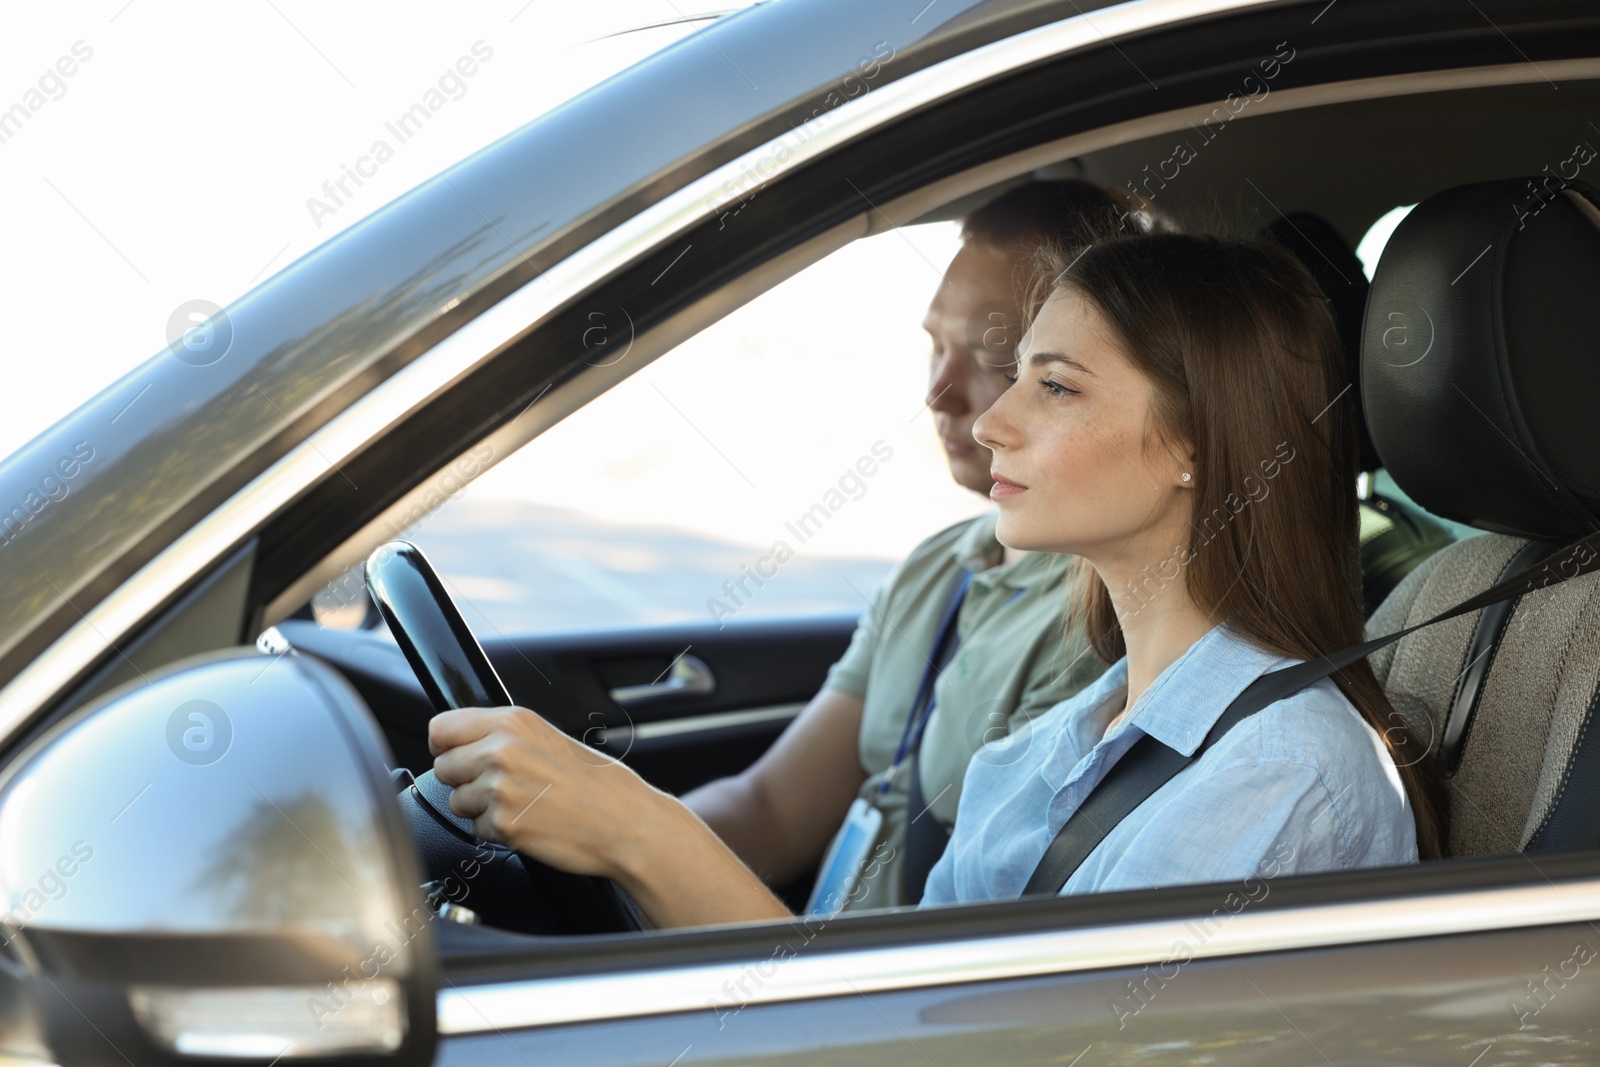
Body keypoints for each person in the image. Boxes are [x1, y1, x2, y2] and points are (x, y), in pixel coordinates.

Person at [426, 227, 1442, 930]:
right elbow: (908, 995)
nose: (991, 419)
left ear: (1192, 442)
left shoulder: (1278, 773)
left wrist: (635, 827)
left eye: (1052, 386)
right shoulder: (1068, 737)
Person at [674, 180, 1143, 912]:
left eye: (994, 357)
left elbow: (977, 939)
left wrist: (630, 835)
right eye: (935, 344)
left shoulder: (1105, 615)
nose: (940, 393)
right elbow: (771, 806)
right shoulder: (942, 563)